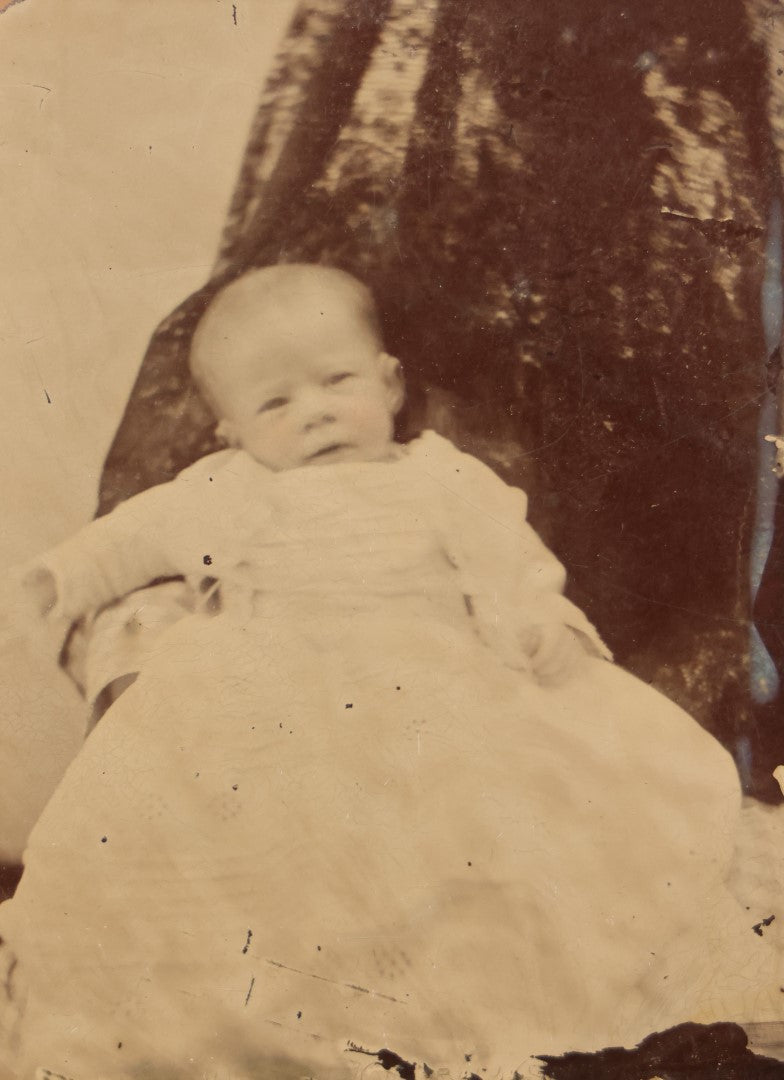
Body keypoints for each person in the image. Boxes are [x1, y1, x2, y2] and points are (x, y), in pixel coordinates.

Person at [0, 266, 774, 1079]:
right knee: (246, 842)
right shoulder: (228, 491)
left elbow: (507, 562)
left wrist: (538, 621)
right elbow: (135, 536)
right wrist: (61, 578)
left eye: (336, 382)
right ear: (230, 433)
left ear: (389, 381)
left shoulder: (440, 479)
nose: (317, 412)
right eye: (276, 404)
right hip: (265, 689)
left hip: (427, 673)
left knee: (483, 828)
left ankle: (467, 1008)